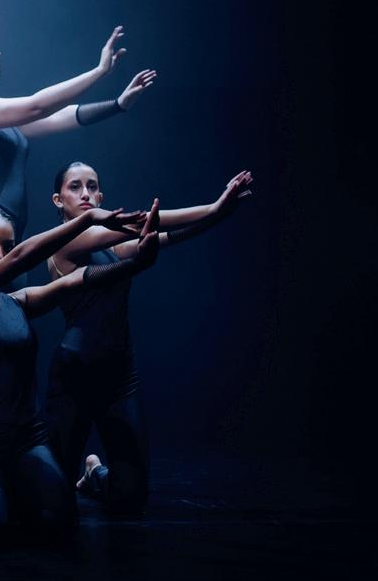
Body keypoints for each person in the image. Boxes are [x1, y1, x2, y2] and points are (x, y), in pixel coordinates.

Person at [0, 201, 160, 543]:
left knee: (60, 523)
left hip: (27, 441)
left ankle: (35, 486)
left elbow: (73, 281)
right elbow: (20, 258)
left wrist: (137, 263)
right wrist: (87, 219)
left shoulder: (16, 302)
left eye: (6, 246)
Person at [45, 162, 253, 515]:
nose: (85, 193)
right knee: (53, 500)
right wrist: (213, 207)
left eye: (92, 186)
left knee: (132, 495)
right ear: (58, 199)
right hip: (75, 376)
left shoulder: (111, 247)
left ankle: (94, 473)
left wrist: (221, 214)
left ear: (101, 196)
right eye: (75, 187)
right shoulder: (64, 241)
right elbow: (144, 224)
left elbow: (169, 236)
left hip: (119, 375)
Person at [0, 27, 158, 238]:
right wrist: (98, 72)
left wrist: (117, 104)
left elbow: (57, 117)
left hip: (4, 230)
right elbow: (37, 107)